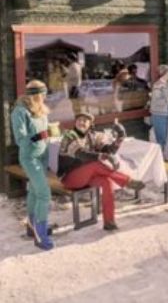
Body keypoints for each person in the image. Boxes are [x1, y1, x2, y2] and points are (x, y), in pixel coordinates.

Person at [58, 112, 145, 231]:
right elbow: (82, 154)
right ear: (75, 122)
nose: (82, 122)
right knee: (95, 164)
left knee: (107, 182)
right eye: (79, 120)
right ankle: (126, 181)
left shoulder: (92, 136)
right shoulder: (69, 135)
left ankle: (109, 221)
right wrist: (103, 156)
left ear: (90, 124)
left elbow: (109, 151)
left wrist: (120, 138)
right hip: (70, 178)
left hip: (87, 177)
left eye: (85, 120)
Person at [10, 80, 54, 250]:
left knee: (35, 192)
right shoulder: (20, 112)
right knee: (44, 194)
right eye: (43, 95)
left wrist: (50, 133)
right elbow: (20, 139)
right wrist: (40, 136)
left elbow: (44, 132)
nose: (45, 97)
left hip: (42, 156)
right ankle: (40, 234)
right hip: (30, 158)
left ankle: (31, 226)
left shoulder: (41, 110)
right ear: (35, 95)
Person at [150, 64, 168, 152]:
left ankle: (163, 155)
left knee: (165, 136)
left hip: (165, 113)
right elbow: (156, 100)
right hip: (159, 113)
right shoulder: (158, 85)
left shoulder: (166, 83)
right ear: (164, 74)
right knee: (161, 136)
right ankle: (160, 158)